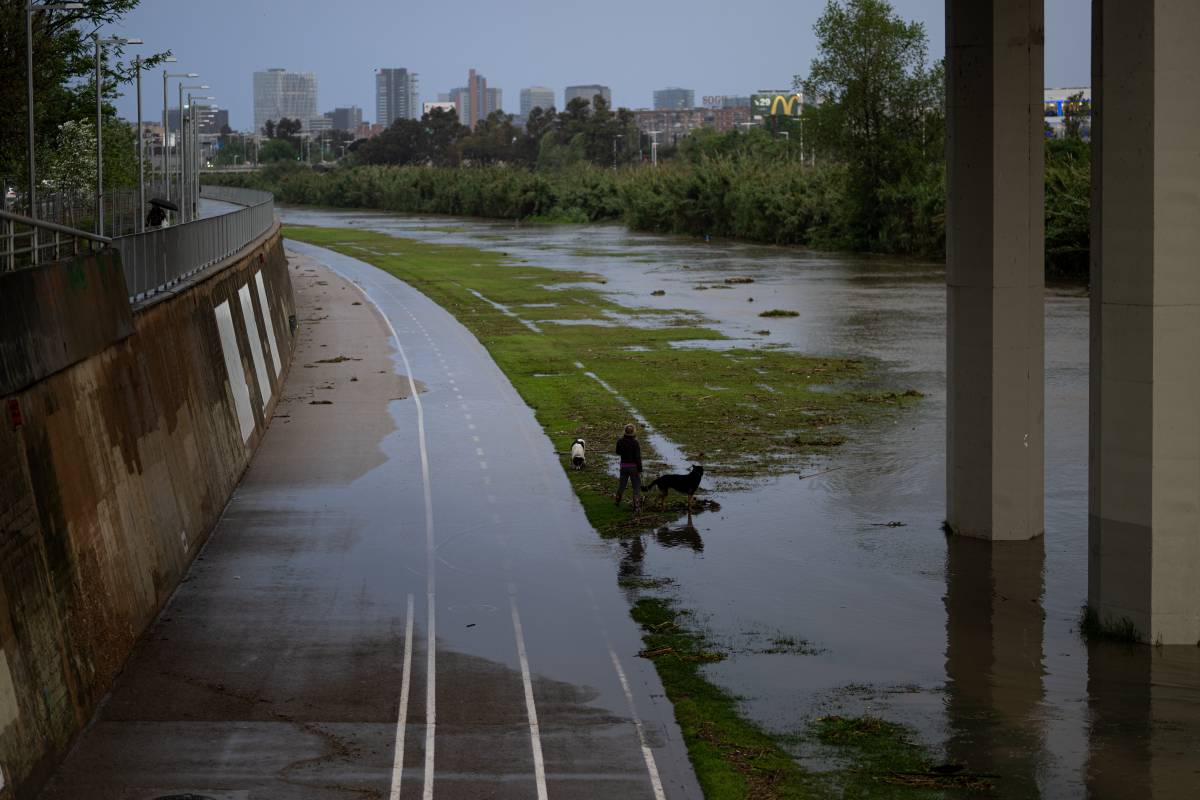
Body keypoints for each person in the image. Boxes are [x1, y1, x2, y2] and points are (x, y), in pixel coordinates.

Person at [614, 423, 642, 509]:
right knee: (636, 486)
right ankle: (636, 505)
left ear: (625, 431)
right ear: (633, 431)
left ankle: (617, 501)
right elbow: (638, 457)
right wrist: (640, 469)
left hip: (624, 466)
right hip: (634, 467)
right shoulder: (635, 442)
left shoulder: (620, 441)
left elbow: (617, 452)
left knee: (622, 485)